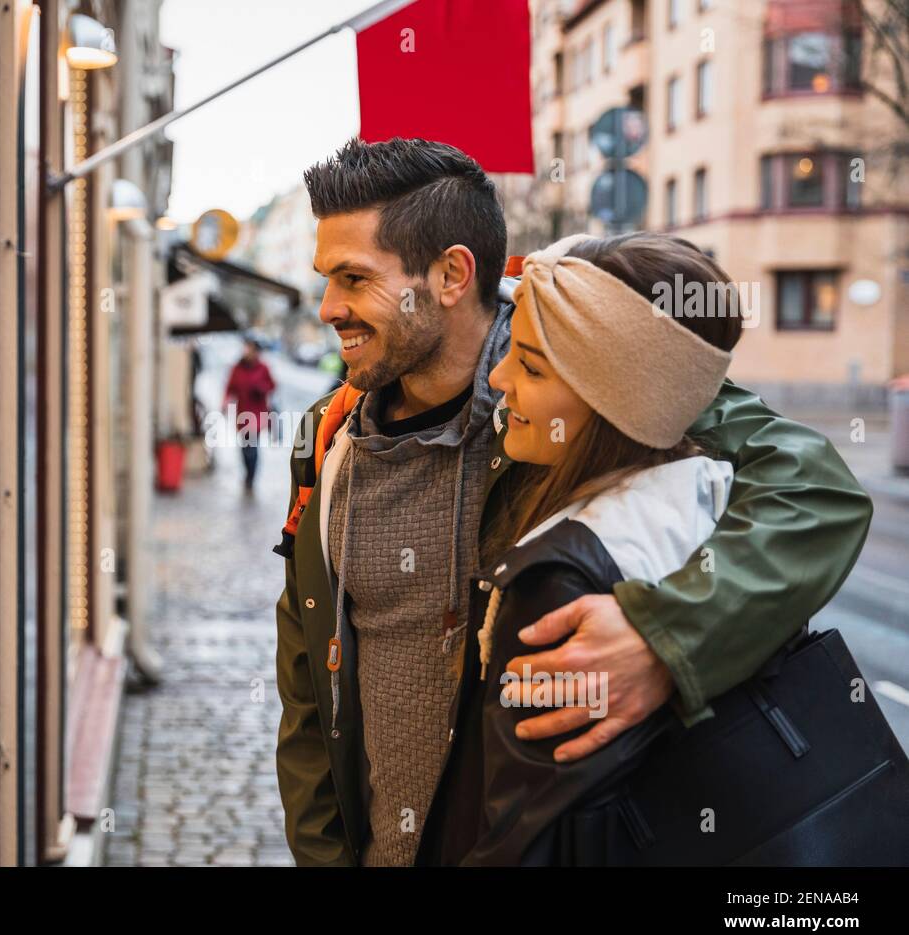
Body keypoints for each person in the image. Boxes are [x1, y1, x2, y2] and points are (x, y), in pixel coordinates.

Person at [273, 138, 872, 867]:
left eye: (353, 278)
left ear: (452, 275)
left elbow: (816, 491)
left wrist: (669, 637)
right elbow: (309, 693)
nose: (329, 307)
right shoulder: (328, 440)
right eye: (326, 278)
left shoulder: (584, 371)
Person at [224, 335, 276, 493]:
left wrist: (261, 388)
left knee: (252, 446)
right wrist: (225, 403)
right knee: (244, 447)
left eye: (251, 348)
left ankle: (251, 477)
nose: (247, 351)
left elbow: (272, 385)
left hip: (258, 414)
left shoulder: (263, 367)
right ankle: (247, 473)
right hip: (243, 414)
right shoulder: (237, 368)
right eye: (246, 348)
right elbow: (230, 388)